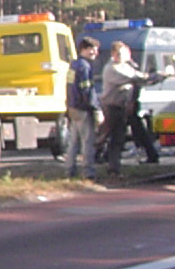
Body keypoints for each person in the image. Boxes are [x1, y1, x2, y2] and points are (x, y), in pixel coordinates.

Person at [97, 40, 158, 176]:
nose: (121, 56)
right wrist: (151, 77)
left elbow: (137, 77)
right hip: (112, 107)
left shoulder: (125, 66)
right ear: (113, 54)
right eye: (118, 54)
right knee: (109, 137)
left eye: (123, 54)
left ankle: (112, 166)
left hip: (122, 106)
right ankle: (103, 163)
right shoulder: (112, 68)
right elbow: (134, 78)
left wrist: (155, 78)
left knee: (117, 137)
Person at [65, 36, 101, 181]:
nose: (95, 53)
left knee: (73, 142)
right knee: (87, 142)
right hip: (83, 109)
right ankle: (88, 172)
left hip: (73, 108)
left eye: (96, 50)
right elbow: (87, 90)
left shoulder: (73, 65)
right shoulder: (85, 67)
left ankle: (69, 169)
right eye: (92, 50)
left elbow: (69, 87)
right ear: (83, 50)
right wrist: (95, 108)